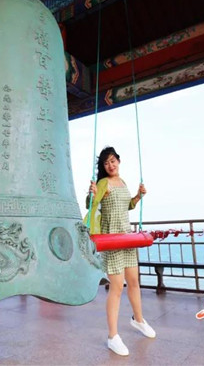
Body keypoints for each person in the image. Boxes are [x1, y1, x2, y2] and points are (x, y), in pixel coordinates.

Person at [85, 146, 156, 356]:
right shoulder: (103, 183)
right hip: (112, 239)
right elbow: (90, 204)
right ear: (103, 166)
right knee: (116, 287)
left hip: (127, 237)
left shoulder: (122, 182)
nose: (110, 165)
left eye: (113, 160)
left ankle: (139, 320)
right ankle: (112, 336)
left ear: (118, 161)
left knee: (133, 281)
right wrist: (91, 194)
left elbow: (128, 206)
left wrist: (138, 196)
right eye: (106, 162)